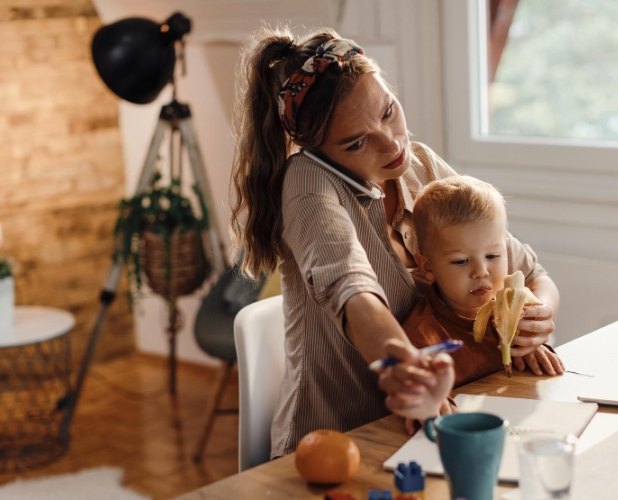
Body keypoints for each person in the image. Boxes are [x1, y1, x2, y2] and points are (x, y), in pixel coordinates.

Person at [230, 26, 560, 458]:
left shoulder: (418, 163)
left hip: (434, 425)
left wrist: (538, 314)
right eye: (356, 142)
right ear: (317, 150)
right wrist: (409, 368)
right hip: (342, 442)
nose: (392, 145)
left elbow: (529, 271)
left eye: (388, 111)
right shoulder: (307, 180)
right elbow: (353, 292)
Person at [404, 175, 565, 391]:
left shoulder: (517, 315)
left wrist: (533, 342)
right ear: (428, 267)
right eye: (461, 261)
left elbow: (540, 279)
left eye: (492, 256)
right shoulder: (422, 339)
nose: (481, 271)